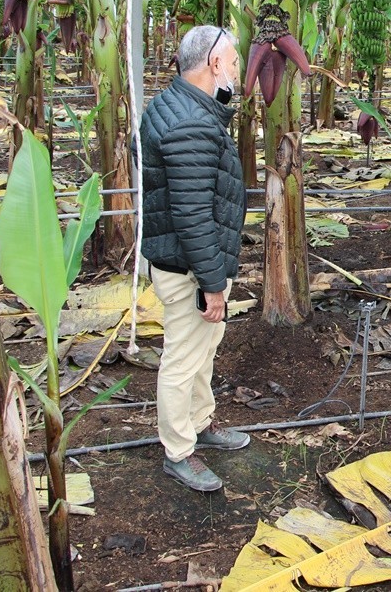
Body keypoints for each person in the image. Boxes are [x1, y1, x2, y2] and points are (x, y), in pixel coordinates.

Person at [139, 25, 250, 492]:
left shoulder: (173, 104)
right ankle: (179, 450)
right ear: (214, 64)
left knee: (204, 350)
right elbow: (191, 215)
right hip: (187, 266)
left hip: (179, 258)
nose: (240, 70)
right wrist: (212, 283)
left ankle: (201, 421)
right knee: (183, 358)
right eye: (235, 61)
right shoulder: (191, 125)